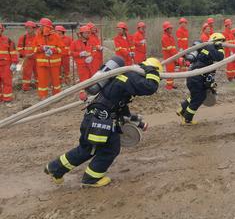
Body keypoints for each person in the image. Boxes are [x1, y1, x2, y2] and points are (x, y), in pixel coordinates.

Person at [44, 57, 162, 188]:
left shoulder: (122, 77)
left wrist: (139, 124)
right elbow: (149, 88)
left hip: (94, 118)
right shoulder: (131, 76)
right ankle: (91, 179)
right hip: (101, 121)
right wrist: (153, 72)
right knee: (110, 149)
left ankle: (54, 168)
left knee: (86, 149)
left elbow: (123, 111)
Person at [176, 33, 225, 125]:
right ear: (215, 41)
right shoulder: (208, 48)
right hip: (196, 77)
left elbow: (218, 59)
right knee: (199, 97)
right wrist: (216, 47)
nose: (222, 44)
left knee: (196, 95)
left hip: (195, 77)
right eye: (220, 41)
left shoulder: (208, 49)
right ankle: (187, 120)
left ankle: (182, 109)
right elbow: (219, 57)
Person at [32, 18, 64, 100]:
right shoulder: (37, 36)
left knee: (56, 81)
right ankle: (43, 96)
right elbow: (33, 49)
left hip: (54, 63)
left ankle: (57, 95)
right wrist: (41, 49)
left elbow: (62, 49)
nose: (40, 27)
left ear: (47, 27)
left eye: (41, 26)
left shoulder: (56, 36)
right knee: (42, 81)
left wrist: (53, 50)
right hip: (42, 63)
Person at [0, 23, 18, 102]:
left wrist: (14, 63)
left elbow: (13, 52)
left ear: (2, 30)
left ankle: (7, 98)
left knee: (7, 82)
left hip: (6, 65)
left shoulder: (8, 40)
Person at [17, 21, 38, 91]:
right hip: (27, 59)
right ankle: (25, 88)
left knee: (38, 73)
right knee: (26, 73)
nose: (28, 29)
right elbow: (19, 48)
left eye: (30, 28)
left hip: (37, 59)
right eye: (27, 28)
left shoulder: (38, 37)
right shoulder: (23, 38)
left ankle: (39, 87)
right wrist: (25, 54)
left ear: (34, 29)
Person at [161, 21, 178, 90]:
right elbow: (170, 49)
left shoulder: (170, 36)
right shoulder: (165, 37)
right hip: (169, 58)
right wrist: (177, 57)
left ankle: (171, 84)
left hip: (172, 57)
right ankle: (169, 87)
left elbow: (173, 47)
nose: (171, 29)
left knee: (172, 71)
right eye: (169, 28)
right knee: (170, 71)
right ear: (166, 29)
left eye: (171, 28)